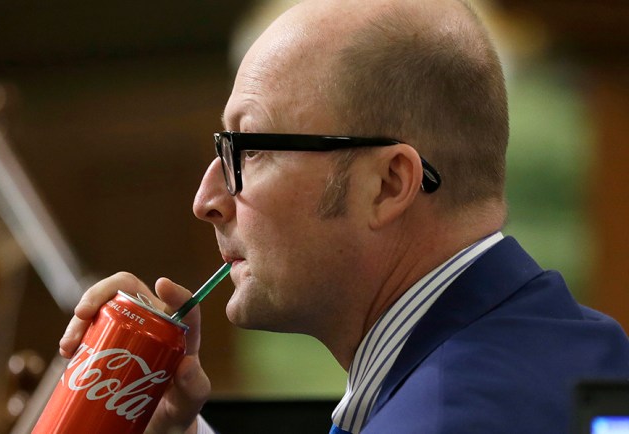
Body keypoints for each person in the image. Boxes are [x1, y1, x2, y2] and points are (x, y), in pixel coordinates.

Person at [58, 0, 629, 432]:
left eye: (251, 149)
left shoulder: (435, 418)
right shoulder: (598, 352)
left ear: (387, 184)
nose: (206, 199)